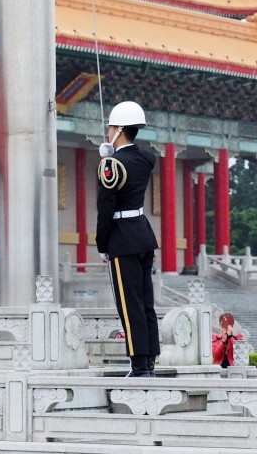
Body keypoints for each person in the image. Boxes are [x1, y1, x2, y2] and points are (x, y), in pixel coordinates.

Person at [95, 101, 160, 377]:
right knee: (146, 303)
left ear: (119, 129)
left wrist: (102, 243)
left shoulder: (111, 165)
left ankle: (137, 364)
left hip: (122, 239)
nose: (108, 131)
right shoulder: (146, 158)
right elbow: (138, 158)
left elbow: (105, 209)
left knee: (128, 304)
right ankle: (150, 361)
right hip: (143, 235)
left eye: (111, 127)